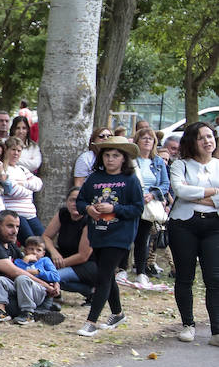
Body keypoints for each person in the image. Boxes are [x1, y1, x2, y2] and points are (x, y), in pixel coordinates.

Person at [76, 135, 144, 337]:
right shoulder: (94, 178)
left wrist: (114, 207)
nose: (110, 159)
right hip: (98, 233)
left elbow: (138, 208)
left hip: (120, 235)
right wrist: (88, 209)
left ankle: (91, 322)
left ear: (124, 158)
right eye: (107, 155)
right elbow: (80, 201)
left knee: (103, 275)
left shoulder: (130, 180)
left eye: (115, 155)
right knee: (107, 275)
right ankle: (117, 313)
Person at [0, 210, 64, 324]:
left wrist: (54, 282)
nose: (15, 231)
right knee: (13, 306)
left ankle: (40, 308)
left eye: (17, 227)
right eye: (10, 226)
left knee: (26, 290)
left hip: (4, 289)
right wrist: (45, 285)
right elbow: (15, 272)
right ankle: (39, 312)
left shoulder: (10, 244)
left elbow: (25, 267)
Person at [167, 122, 219, 344]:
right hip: (183, 224)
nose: (208, 141)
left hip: (214, 225)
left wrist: (197, 195)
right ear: (192, 142)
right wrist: (215, 192)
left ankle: (216, 330)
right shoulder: (180, 165)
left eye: (210, 136)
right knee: (185, 276)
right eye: (201, 138)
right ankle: (188, 324)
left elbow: (188, 192)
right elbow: (179, 190)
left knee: (214, 278)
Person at [42, 185, 100, 298]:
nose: (75, 203)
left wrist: (58, 265)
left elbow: (83, 256)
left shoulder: (90, 221)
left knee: (51, 276)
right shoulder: (63, 214)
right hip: (63, 257)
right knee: (43, 259)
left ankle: (91, 291)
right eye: (72, 200)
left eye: (80, 200)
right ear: (67, 201)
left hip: (87, 265)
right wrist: (54, 252)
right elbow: (46, 237)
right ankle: (54, 292)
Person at [130, 125, 170, 285]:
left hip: (149, 205)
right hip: (132, 202)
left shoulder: (158, 162)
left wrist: (153, 194)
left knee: (143, 239)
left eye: (150, 138)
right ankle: (120, 269)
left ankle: (141, 271)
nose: (147, 141)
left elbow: (165, 183)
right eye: (144, 138)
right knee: (127, 237)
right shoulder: (131, 160)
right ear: (137, 141)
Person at [2, 137, 44, 240]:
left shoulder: (22, 169)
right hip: (15, 214)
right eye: (13, 149)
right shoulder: (3, 169)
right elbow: (13, 191)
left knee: (44, 241)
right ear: (6, 150)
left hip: (31, 214)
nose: (16, 153)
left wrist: (23, 184)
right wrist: (29, 190)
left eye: (19, 150)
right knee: (31, 242)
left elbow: (38, 184)